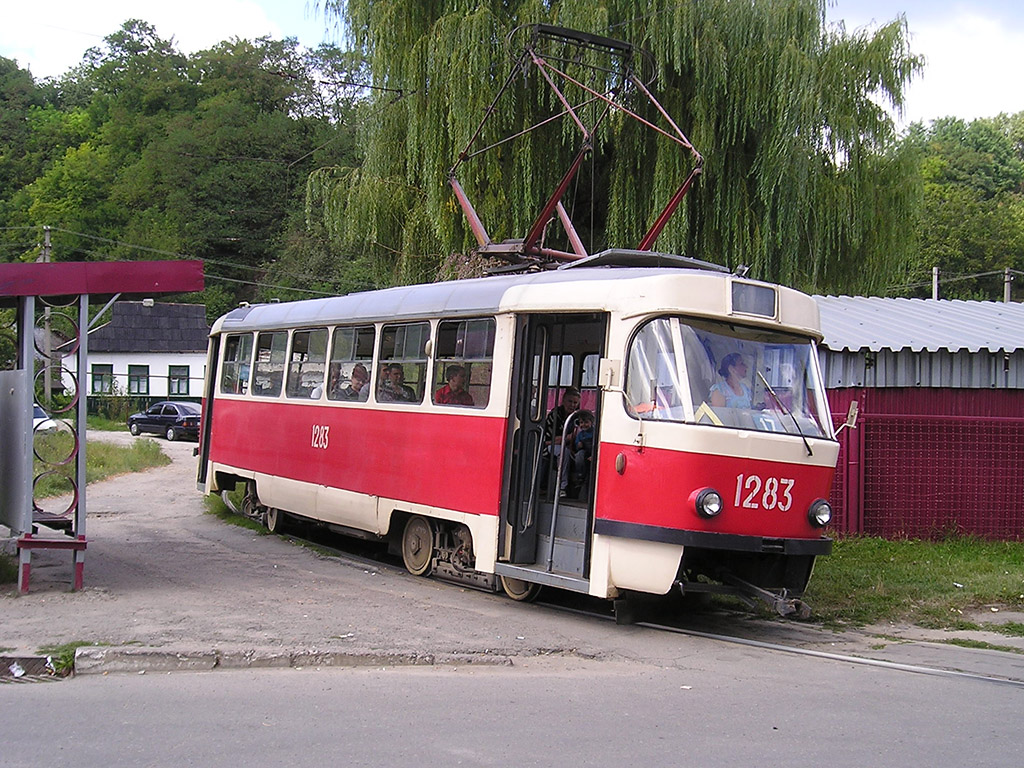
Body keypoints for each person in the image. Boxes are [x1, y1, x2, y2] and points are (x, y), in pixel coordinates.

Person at [543, 387, 581, 497]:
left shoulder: (577, 417)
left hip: (573, 447)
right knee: (564, 452)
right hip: (549, 448)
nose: (572, 405)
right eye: (570, 401)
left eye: (575, 403)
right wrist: (568, 437)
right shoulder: (554, 415)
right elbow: (549, 440)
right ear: (563, 400)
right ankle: (562, 487)